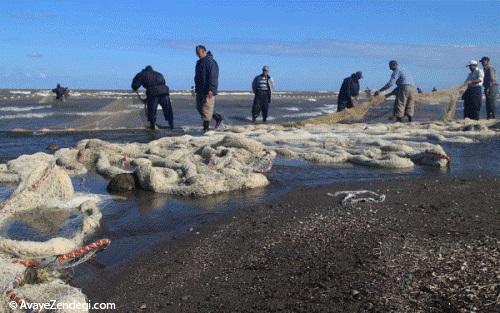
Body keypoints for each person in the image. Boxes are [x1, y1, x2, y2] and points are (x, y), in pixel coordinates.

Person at [131, 65, 173, 130]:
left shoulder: (141, 74)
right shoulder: (159, 74)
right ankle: (171, 124)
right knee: (168, 109)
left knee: (152, 110)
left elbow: (135, 85)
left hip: (153, 93)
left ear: (144, 69)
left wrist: (135, 88)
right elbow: (164, 82)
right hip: (164, 92)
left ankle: (152, 126)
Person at [194, 45, 222, 132]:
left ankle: (206, 128)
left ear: (203, 51)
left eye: (198, 53)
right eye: (196, 53)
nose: (197, 54)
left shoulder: (211, 62)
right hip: (200, 89)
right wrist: (196, 88)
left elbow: (213, 76)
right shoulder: (199, 63)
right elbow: (197, 77)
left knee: (207, 108)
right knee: (199, 107)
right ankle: (218, 117)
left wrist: (211, 89)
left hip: (208, 90)